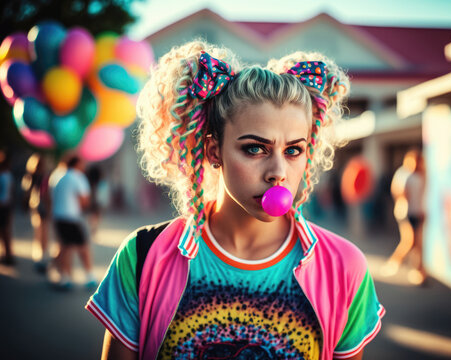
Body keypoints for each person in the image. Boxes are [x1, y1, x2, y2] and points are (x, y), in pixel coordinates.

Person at [86, 41, 384, 360]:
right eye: (255, 148)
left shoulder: (344, 266)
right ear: (215, 151)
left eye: (293, 150)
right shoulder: (143, 257)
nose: (277, 172)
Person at [381, 149, 427, 285]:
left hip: (419, 212)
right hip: (405, 212)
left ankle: (419, 272)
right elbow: (397, 191)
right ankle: (393, 263)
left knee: (419, 244)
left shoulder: (422, 174)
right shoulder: (403, 173)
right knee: (409, 241)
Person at [51, 155, 96, 290]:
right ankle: (89, 276)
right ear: (76, 164)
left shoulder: (58, 177)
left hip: (58, 216)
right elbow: (84, 200)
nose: (84, 166)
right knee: (82, 247)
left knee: (65, 247)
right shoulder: (78, 177)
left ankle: (64, 277)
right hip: (71, 217)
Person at [21, 153, 52, 273]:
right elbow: (46, 194)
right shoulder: (44, 177)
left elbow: (26, 192)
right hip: (42, 206)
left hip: (35, 206)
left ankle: (38, 256)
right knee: (44, 232)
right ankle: (42, 256)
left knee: (38, 232)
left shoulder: (30, 176)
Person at [0, 150, 14, 266]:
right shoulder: (7, 175)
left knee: (4, 231)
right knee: (5, 231)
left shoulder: (5, 175)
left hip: (3, 206)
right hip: (6, 205)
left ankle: (8, 254)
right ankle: (8, 254)